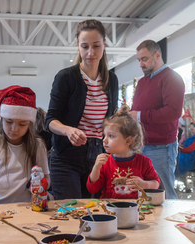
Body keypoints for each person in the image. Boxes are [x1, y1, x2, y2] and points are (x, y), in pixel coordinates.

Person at [45, 19, 118, 200]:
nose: (90, 53)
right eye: (85, 46)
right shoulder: (66, 77)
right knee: (71, 211)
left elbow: (109, 121)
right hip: (67, 156)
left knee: (94, 212)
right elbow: (50, 120)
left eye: (96, 46)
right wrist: (68, 130)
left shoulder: (112, 80)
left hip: (98, 155)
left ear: (104, 45)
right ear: (78, 45)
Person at [130, 40, 185, 199]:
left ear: (157, 55)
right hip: (140, 145)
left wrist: (139, 115)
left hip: (161, 146)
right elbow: (138, 110)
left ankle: (171, 223)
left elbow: (173, 112)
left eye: (144, 59)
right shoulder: (142, 82)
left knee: (164, 191)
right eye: (139, 60)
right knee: (144, 192)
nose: (141, 64)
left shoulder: (171, 78)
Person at [87, 105, 160, 199]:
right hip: (110, 210)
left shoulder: (144, 162)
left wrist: (144, 184)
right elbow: (92, 189)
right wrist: (96, 167)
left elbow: (156, 183)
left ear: (128, 141)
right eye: (104, 135)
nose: (104, 140)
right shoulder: (104, 162)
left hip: (136, 210)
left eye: (111, 136)